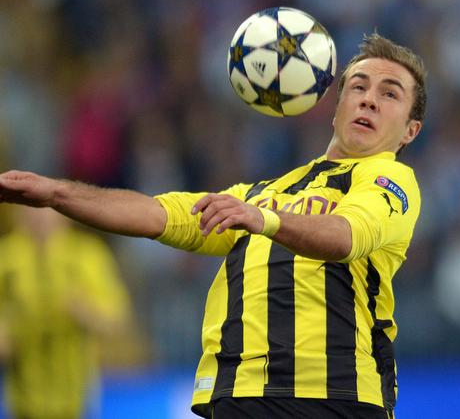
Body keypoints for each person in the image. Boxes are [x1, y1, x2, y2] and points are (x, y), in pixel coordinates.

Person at [0, 33, 425, 419]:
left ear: (410, 130)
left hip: (333, 397)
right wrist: (56, 194)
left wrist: (264, 219)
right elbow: (155, 214)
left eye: (389, 93)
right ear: (336, 108)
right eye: (358, 87)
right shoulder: (260, 193)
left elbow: (346, 236)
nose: (369, 100)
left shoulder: (391, 182)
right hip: (237, 395)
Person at [0, 207, 131, 419]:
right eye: (32, 207)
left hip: (77, 396)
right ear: (19, 212)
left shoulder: (87, 254)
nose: (40, 215)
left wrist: (86, 312)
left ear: (62, 210)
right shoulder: (6, 257)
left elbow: (116, 319)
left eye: (46, 208)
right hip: (21, 397)